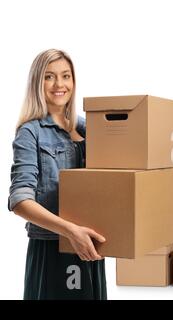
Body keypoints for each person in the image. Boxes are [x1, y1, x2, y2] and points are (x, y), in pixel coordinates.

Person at [8, 49, 107, 300]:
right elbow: (19, 201)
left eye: (66, 76)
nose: (59, 84)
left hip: (90, 247)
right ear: (37, 83)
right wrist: (71, 231)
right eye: (49, 77)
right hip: (54, 248)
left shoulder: (89, 127)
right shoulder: (30, 133)